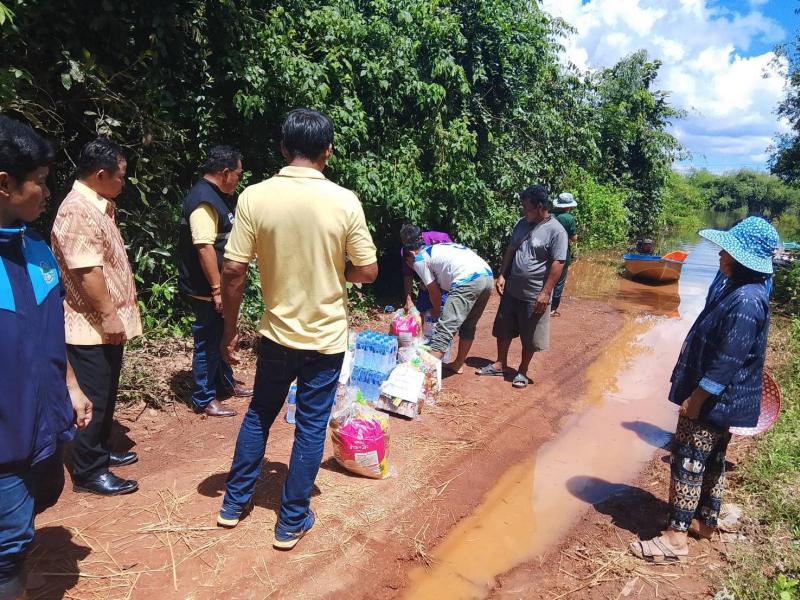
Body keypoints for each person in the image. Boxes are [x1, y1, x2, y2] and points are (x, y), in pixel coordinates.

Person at [216, 109, 377, 550]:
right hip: (325, 339)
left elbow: (233, 270)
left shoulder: (255, 197)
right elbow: (367, 271)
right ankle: (290, 523)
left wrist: (229, 329)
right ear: (328, 151)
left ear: (284, 148)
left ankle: (232, 505)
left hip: (276, 335)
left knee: (259, 414)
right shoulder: (345, 201)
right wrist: (336, 271)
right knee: (310, 425)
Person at [630, 217, 779, 563]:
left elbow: (727, 361)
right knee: (712, 461)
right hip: (723, 401)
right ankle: (705, 521)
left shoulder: (746, 300)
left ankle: (675, 539)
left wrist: (697, 399)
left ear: (740, 259)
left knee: (688, 463)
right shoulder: (742, 290)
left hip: (713, 400)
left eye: (727, 251)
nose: (720, 255)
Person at [0, 116, 92, 599]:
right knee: (9, 545)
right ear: (5, 184)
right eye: (39, 181)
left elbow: (50, 330)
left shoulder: (36, 248)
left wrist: (71, 385)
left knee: (42, 497)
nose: (46, 191)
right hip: (5, 438)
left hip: (44, 424)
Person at [51, 138, 141, 496]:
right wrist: (108, 315)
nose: (124, 182)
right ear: (101, 175)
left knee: (105, 392)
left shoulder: (96, 206)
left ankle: (99, 451)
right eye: (121, 176)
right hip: (89, 324)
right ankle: (89, 471)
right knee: (94, 396)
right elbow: (87, 270)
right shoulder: (77, 210)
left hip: (102, 323)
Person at [177, 146, 253, 418]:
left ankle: (224, 383)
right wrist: (217, 289)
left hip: (217, 288)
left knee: (221, 335)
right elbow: (204, 247)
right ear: (225, 172)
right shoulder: (203, 201)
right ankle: (204, 397)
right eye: (238, 174)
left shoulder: (216, 196)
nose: (238, 180)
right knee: (208, 342)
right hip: (205, 289)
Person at [476, 185, 567, 388]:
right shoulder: (522, 223)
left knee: (530, 335)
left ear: (540, 206)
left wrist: (545, 293)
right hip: (512, 290)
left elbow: (558, 263)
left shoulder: (556, 231)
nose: (524, 211)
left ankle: (523, 371)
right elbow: (511, 249)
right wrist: (502, 274)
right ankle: (500, 364)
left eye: (527, 208)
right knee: (503, 328)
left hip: (535, 294)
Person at [400, 225, 493, 374]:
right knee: (468, 325)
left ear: (411, 253)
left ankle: (424, 377)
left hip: (466, 280)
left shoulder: (419, 258)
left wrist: (437, 311)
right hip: (487, 276)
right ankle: (458, 364)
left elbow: (434, 292)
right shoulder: (439, 247)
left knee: (444, 330)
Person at [402, 230, 452, 313]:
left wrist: (436, 310)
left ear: (420, 238)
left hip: (447, 281)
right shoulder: (406, 252)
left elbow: (449, 264)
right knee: (422, 308)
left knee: (446, 311)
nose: (408, 246)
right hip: (427, 283)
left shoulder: (441, 238)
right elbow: (408, 275)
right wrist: (408, 299)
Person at [551, 192, 578, 317]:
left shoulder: (550, 215)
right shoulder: (568, 218)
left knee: (547, 278)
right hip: (562, 253)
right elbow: (574, 238)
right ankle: (552, 308)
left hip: (547, 252)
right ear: (569, 206)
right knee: (559, 282)